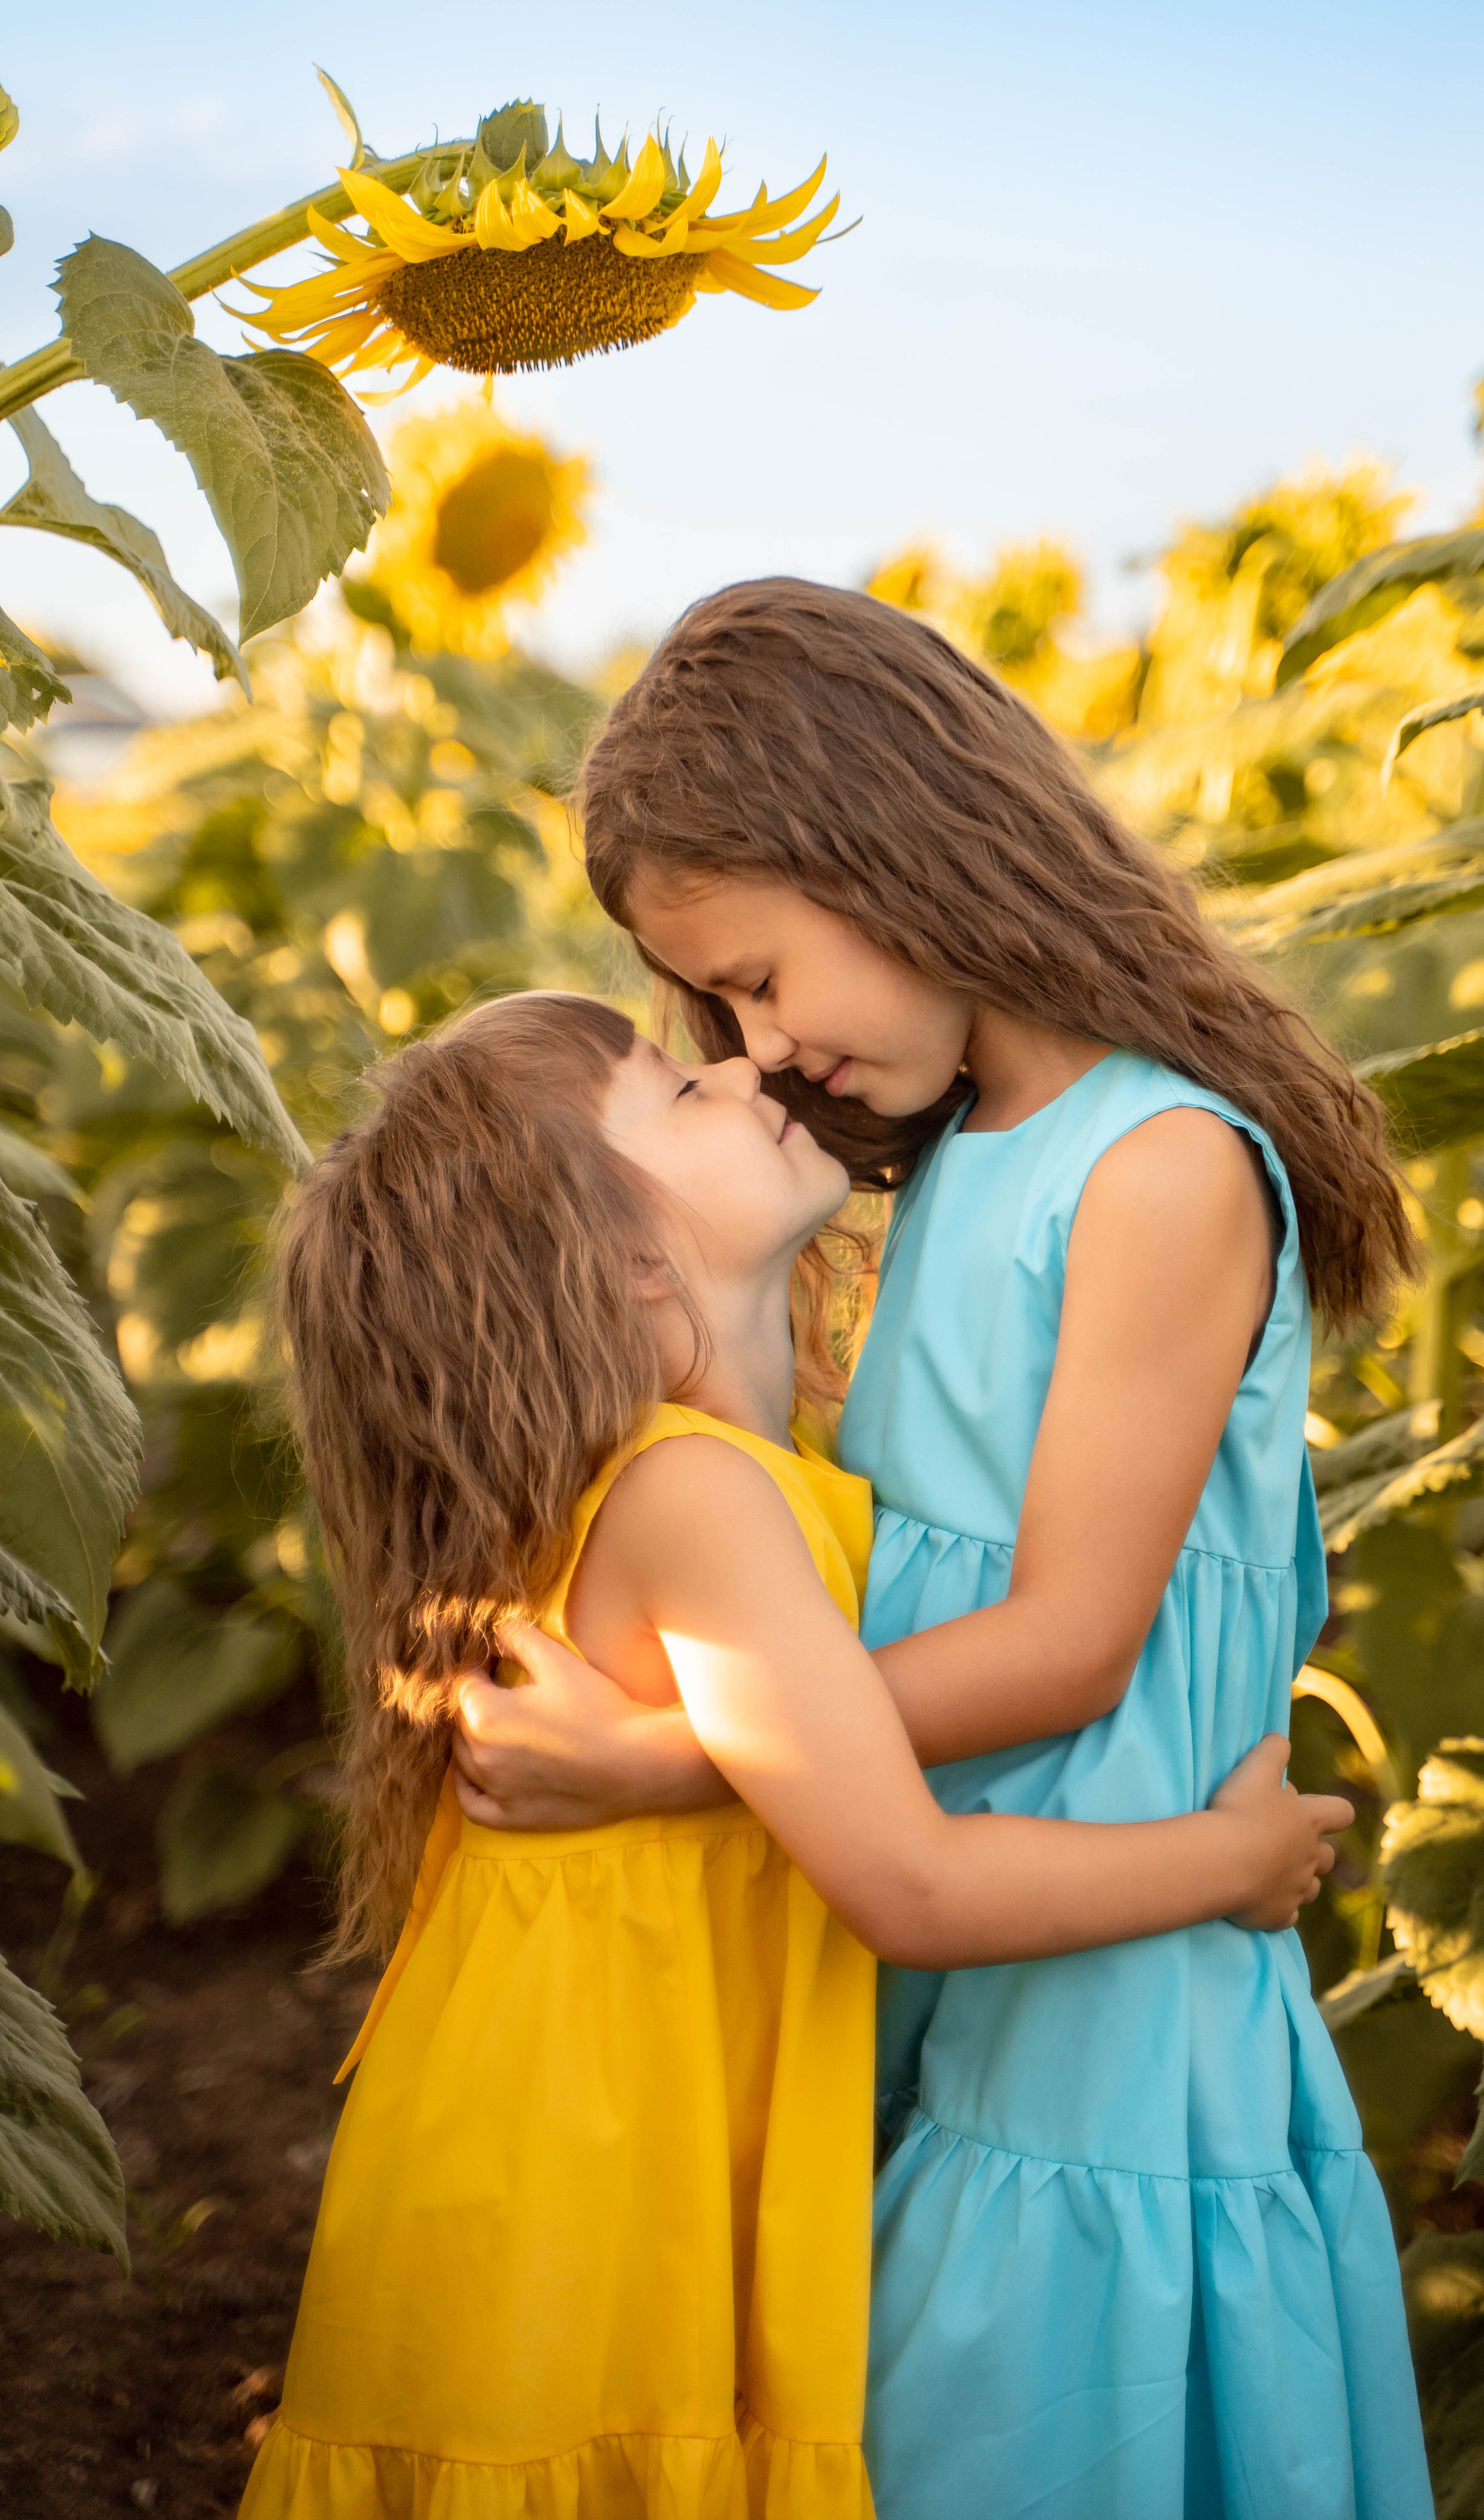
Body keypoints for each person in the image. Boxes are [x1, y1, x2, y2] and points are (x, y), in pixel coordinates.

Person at [452, 579, 1436, 2520]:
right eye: (716, 1009)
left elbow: (1069, 1642)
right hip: (969, 1933)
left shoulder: (1156, 1168)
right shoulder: (969, 1152)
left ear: (894, 848)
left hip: (1101, 1979)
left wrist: (666, 1761)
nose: (758, 1044)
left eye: (757, 976)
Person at [242, 988, 1349, 2520]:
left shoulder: (716, 1479)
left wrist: (657, 1761)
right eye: (673, 1093)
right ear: (621, 1263)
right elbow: (910, 1882)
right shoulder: (698, 1502)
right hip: (582, 2193)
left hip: (562, 2155)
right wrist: (1234, 1860)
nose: (737, 1063)